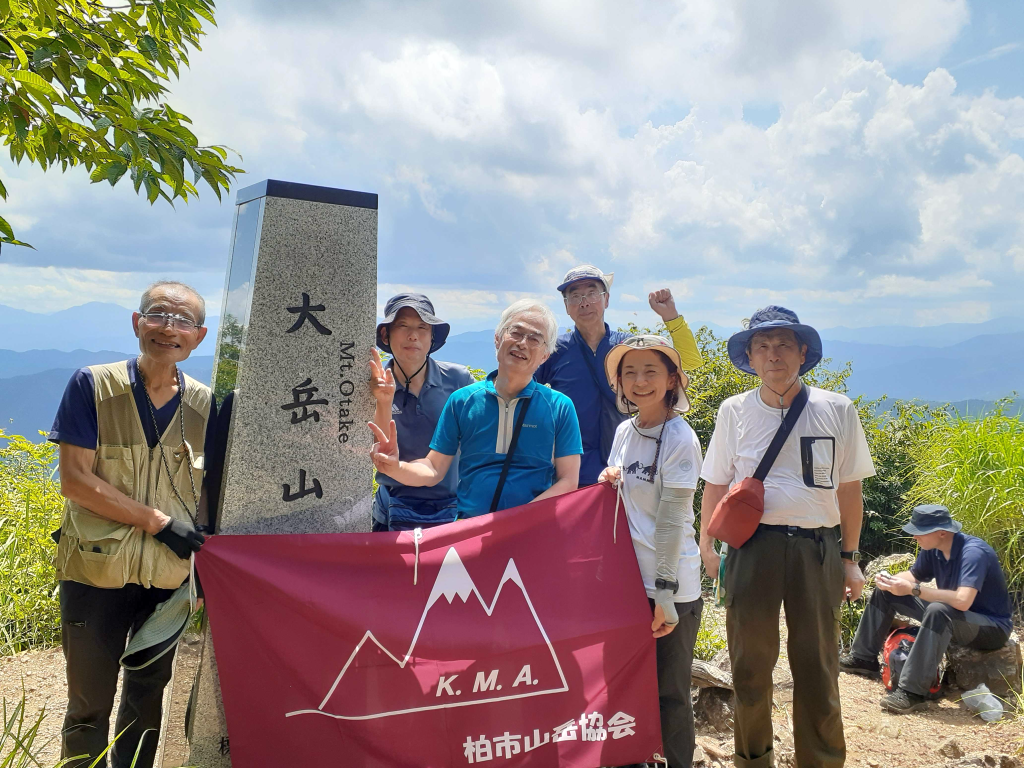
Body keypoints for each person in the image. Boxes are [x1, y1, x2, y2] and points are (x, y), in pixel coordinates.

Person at [698, 306, 875, 768]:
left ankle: (821, 761)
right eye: (762, 346)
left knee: (818, 667)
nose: (772, 354)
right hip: (750, 548)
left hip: (817, 548)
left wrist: (850, 557)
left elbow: (849, 488)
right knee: (750, 668)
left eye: (782, 345)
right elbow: (715, 483)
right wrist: (707, 544)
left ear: (802, 353)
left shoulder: (837, 408)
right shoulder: (733, 411)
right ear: (750, 358)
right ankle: (753, 760)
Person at [48, 281, 216, 768]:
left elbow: (206, 491)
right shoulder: (93, 386)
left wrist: (202, 562)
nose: (170, 327)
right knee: (88, 706)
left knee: (146, 705)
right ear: (137, 322)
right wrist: (157, 522)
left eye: (183, 320)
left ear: (200, 336)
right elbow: (76, 481)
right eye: (158, 314)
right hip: (93, 573)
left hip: (166, 580)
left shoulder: (204, 407)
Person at [369, 299, 582, 517]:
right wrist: (397, 468)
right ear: (497, 339)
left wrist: (518, 522)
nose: (522, 343)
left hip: (532, 532)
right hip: (471, 533)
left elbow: (568, 480)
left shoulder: (559, 407)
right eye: (515, 333)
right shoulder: (462, 401)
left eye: (535, 339)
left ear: (545, 355)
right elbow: (433, 468)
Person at [597, 335, 703, 768]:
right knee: (621, 686)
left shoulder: (680, 438)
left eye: (650, 371)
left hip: (670, 586)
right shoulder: (625, 431)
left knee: (671, 693)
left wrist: (663, 592)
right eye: (630, 372)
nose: (639, 381)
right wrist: (608, 479)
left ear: (672, 379)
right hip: (625, 583)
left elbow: (673, 517)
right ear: (619, 381)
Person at [535, 265, 703, 487]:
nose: (584, 302)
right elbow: (523, 388)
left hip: (627, 472)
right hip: (571, 475)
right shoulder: (556, 350)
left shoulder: (626, 348)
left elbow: (689, 362)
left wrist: (670, 316)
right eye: (575, 296)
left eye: (592, 293)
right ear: (566, 306)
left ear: (606, 299)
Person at [840, 504, 1013, 713]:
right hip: (956, 617)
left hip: (991, 628)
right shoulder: (934, 549)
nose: (914, 538)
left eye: (919, 533)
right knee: (887, 593)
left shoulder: (974, 553)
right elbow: (914, 576)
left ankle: (912, 692)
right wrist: (888, 581)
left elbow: (962, 600)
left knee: (939, 611)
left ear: (942, 533)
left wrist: (914, 590)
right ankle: (863, 658)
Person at [368, 293, 475, 531]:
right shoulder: (372, 384)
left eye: (422, 327)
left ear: (432, 336)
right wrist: (384, 401)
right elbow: (381, 449)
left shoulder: (458, 380)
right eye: (403, 326)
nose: (413, 335)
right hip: (393, 512)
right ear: (386, 334)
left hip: (452, 509)